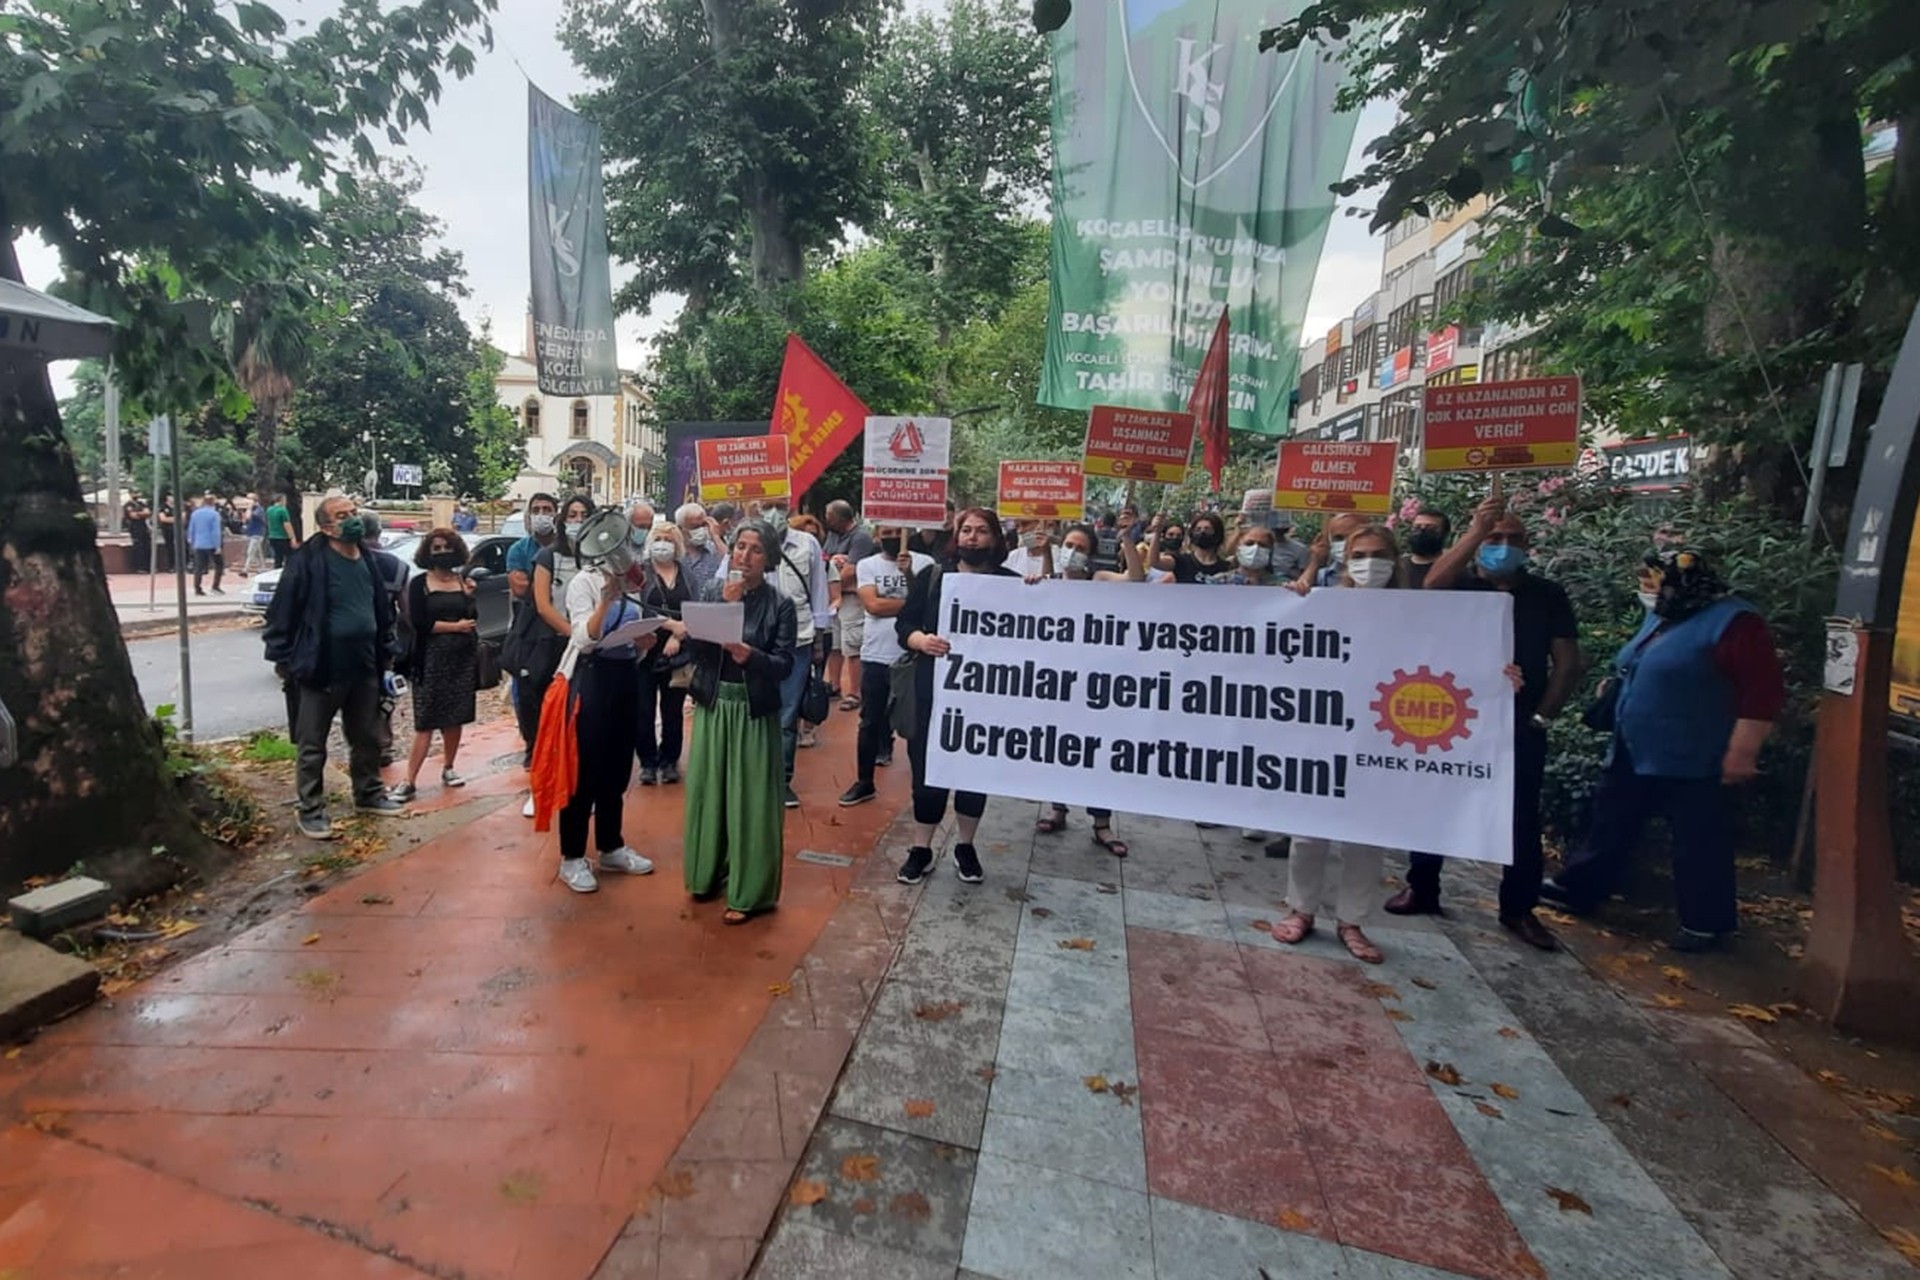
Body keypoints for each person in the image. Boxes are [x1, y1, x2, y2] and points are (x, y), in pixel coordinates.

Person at [1542, 549, 1783, 952]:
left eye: (1655, 579)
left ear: (1684, 581)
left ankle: (1706, 923)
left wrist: (1743, 751)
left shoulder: (1736, 623)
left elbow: (1763, 692)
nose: (1647, 586)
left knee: (1699, 838)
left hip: (1695, 752)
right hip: (1635, 746)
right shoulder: (1667, 613)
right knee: (1611, 821)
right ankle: (1579, 889)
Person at [1384, 492, 1582, 950]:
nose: (1504, 544)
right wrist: (1476, 530)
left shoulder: (1547, 595)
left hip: (1518, 724)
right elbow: (1431, 586)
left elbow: (1568, 664)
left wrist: (1539, 716)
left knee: (1519, 819)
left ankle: (1519, 908)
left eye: (1514, 538)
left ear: (1528, 546)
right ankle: (1423, 887)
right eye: (1496, 537)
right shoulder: (1457, 586)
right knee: (1435, 801)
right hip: (1450, 718)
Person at [1274, 525, 1409, 964]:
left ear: (1395, 559)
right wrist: (1293, 601)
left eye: (1379, 554)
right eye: (1360, 554)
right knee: (1308, 832)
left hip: (1381, 733)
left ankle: (1352, 921)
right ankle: (1301, 909)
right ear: (1345, 562)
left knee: (1365, 838)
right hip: (1322, 728)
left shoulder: (1420, 612)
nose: (1370, 563)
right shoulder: (1324, 602)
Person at [262, 494, 408, 839]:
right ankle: (311, 810)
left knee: (367, 736)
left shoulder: (368, 559)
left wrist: (387, 650)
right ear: (326, 527)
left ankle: (368, 794)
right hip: (321, 666)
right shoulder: (308, 561)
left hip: (365, 664)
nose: (352, 520)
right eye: (343, 516)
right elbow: (283, 611)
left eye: (354, 513)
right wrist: (283, 659)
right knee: (313, 743)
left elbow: (381, 610)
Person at [894, 507, 1020, 885]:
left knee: (973, 774)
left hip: (984, 699)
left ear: (995, 539)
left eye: (981, 531)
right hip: (931, 694)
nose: (972, 537)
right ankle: (921, 848)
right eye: (966, 530)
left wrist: (1036, 590)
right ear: (956, 535)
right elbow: (905, 624)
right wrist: (920, 641)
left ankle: (966, 845)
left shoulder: (1011, 584)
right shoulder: (935, 576)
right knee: (926, 776)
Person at [684, 521, 797, 922]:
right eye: (740, 547)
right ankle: (707, 873)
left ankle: (750, 891)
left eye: (755, 550)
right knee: (709, 792)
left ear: (768, 559)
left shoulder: (780, 604)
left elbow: (785, 665)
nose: (744, 557)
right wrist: (722, 609)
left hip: (752, 710)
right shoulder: (713, 591)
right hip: (714, 706)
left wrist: (753, 656)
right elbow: (696, 647)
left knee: (750, 800)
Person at [552, 520, 657, 893]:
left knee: (616, 765)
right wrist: (608, 598)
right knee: (584, 770)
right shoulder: (584, 583)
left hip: (625, 676)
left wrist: (644, 641)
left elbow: (635, 631)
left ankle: (611, 845)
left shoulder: (633, 580)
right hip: (592, 680)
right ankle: (572, 856)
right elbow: (584, 637)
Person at [1032, 523, 1144, 856]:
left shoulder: (1099, 582)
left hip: (1094, 686)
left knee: (1096, 752)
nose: (1073, 552)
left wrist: (1127, 539)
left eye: (1080, 548)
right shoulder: (1050, 583)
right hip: (1057, 684)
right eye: (1068, 544)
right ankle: (1058, 809)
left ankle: (1102, 824)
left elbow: (1136, 580)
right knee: (1058, 749)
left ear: (1091, 555)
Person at [839, 527, 934, 807]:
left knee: (918, 723)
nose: (892, 536)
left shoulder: (926, 564)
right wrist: (910, 606)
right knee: (870, 722)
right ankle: (864, 781)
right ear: (878, 536)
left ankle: (923, 787)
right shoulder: (868, 564)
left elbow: (928, 606)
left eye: (897, 531)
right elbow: (873, 605)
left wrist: (909, 577)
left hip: (912, 656)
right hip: (876, 655)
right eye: (887, 532)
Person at [389, 529, 479, 802]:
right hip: (430, 659)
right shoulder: (419, 584)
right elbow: (419, 623)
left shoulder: (462, 581)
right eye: (436, 548)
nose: (442, 552)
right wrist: (456, 627)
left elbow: (473, 619)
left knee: (455, 717)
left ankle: (449, 767)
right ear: (427, 552)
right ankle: (409, 780)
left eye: (446, 547)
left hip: (461, 659)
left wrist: (470, 598)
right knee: (425, 721)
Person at [753, 498, 832, 808]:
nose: (773, 511)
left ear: (789, 506)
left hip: (797, 640)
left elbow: (819, 591)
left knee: (786, 713)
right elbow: (724, 583)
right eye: (767, 505)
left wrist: (819, 641)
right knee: (753, 708)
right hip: (754, 641)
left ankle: (782, 779)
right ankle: (753, 775)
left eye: (778, 504)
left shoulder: (807, 543)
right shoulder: (745, 538)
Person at [504, 493, 565, 810]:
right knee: (527, 695)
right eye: (537, 510)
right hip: (529, 632)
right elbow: (520, 588)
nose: (542, 515)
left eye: (548, 510)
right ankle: (533, 748)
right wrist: (550, 585)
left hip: (561, 633)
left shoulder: (567, 547)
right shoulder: (519, 550)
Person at [632, 523, 695, 785]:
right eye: (658, 538)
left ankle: (670, 760)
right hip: (645, 653)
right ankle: (647, 761)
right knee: (643, 711)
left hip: (676, 653)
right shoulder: (641, 573)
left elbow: (696, 606)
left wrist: (677, 635)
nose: (662, 543)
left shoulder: (687, 573)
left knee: (673, 711)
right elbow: (638, 608)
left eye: (668, 539)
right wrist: (671, 625)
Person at [822, 499, 876, 712]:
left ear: (840, 518)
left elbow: (851, 570)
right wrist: (834, 564)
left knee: (852, 646)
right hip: (834, 597)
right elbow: (825, 560)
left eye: (829, 515)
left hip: (852, 598)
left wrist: (829, 583)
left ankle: (855, 692)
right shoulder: (833, 535)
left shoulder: (860, 537)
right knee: (835, 645)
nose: (826, 519)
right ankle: (834, 686)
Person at [1160, 511, 1233, 584]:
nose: (1202, 532)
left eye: (1207, 529)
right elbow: (1155, 562)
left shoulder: (1226, 568)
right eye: (1198, 529)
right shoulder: (1182, 561)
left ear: (1217, 533)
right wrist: (1157, 531)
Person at [1402, 507, 1452, 589]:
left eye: (1431, 528)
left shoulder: (1454, 568)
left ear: (1444, 533)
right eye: (1417, 527)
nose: (1422, 530)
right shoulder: (1397, 568)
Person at [187, 495, 226, 595]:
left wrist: (191, 541)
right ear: (213, 503)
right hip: (211, 544)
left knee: (199, 567)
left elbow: (191, 528)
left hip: (198, 543)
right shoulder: (214, 514)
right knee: (219, 565)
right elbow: (216, 531)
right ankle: (215, 586)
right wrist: (217, 546)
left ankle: (197, 588)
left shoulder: (195, 513)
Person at [676, 501, 721, 583]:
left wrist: (716, 536)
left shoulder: (715, 550)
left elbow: (730, 564)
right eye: (695, 527)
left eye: (703, 525)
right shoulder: (674, 554)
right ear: (680, 528)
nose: (701, 530)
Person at [265, 493, 298, 568]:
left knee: (277, 556)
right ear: (282, 500)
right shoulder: (282, 510)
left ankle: (277, 570)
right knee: (290, 556)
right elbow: (287, 525)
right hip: (282, 537)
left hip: (272, 536)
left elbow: (268, 522)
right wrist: (292, 538)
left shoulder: (269, 509)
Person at [124, 494, 152, 572]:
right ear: (130, 494)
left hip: (144, 527)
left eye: (137, 492)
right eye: (134, 492)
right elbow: (133, 516)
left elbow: (148, 513)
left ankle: (148, 566)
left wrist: (139, 514)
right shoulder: (128, 505)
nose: (136, 494)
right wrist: (142, 514)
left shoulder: (141, 503)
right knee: (138, 547)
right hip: (135, 528)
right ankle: (140, 567)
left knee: (147, 546)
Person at [242, 495, 268, 575]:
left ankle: (245, 570)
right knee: (258, 552)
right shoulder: (253, 509)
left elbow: (249, 517)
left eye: (249, 499)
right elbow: (245, 520)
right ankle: (263, 567)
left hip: (257, 533)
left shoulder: (259, 509)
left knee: (250, 552)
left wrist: (249, 509)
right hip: (252, 533)